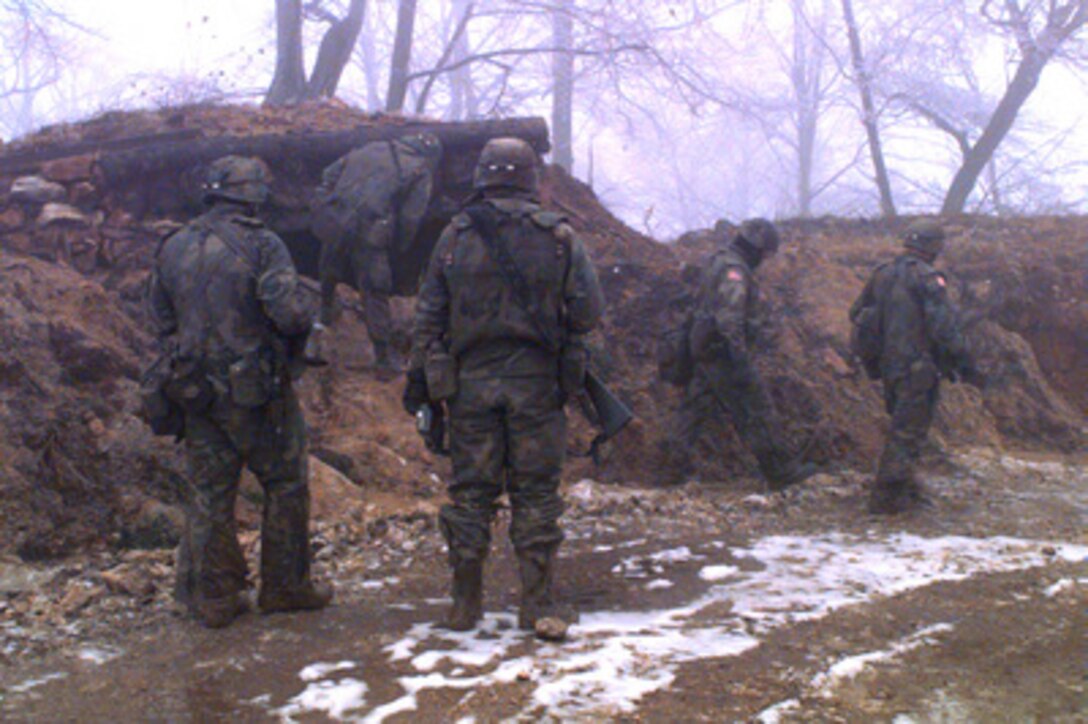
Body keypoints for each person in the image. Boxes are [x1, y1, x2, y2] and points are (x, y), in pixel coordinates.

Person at [404, 137, 604, 639]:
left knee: (471, 493)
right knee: (535, 492)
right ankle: (537, 605)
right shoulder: (559, 237)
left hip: (470, 387)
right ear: (529, 177)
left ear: (483, 177)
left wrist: (423, 383)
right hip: (535, 386)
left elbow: (427, 317)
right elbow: (588, 312)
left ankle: (464, 605)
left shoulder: (454, 236)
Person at [146, 155, 332, 628]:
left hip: (193, 391)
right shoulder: (264, 244)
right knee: (286, 482)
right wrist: (308, 320)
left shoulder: (174, 245)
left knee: (210, 492)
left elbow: (160, 317)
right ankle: (285, 587)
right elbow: (285, 312)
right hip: (257, 391)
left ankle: (213, 598)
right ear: (254, 195)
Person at [664, 218, 817, 490]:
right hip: (722, 351)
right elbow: (729, 319)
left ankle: (669, 469)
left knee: (693, 410)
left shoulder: (719, 260)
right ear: (757, 247)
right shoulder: (734, 270)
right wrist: (740, 360)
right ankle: (780, 471)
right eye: (766, 253)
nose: (765, 259)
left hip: (705, 348)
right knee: (755, 408)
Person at [849, 219, 978, 515]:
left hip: (888, 366)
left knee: (901, 425)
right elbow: (943, 327)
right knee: (908, 433)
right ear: (932, 247)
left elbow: (856, 312)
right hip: (918, 367)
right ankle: (887, 499)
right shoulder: (927, 278)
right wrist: (962, 359)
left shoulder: (881, 274)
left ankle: (905, 488)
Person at [311, 133, 444, 372]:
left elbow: (328, 174)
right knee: (375, 290)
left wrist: (330, 203)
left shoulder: (368, 146)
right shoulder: (419, 170)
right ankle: (383, 358)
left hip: (336, 222)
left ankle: (322, 319)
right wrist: (400, 246)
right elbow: (411, 217)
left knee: (328, 272)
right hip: (370, 233)